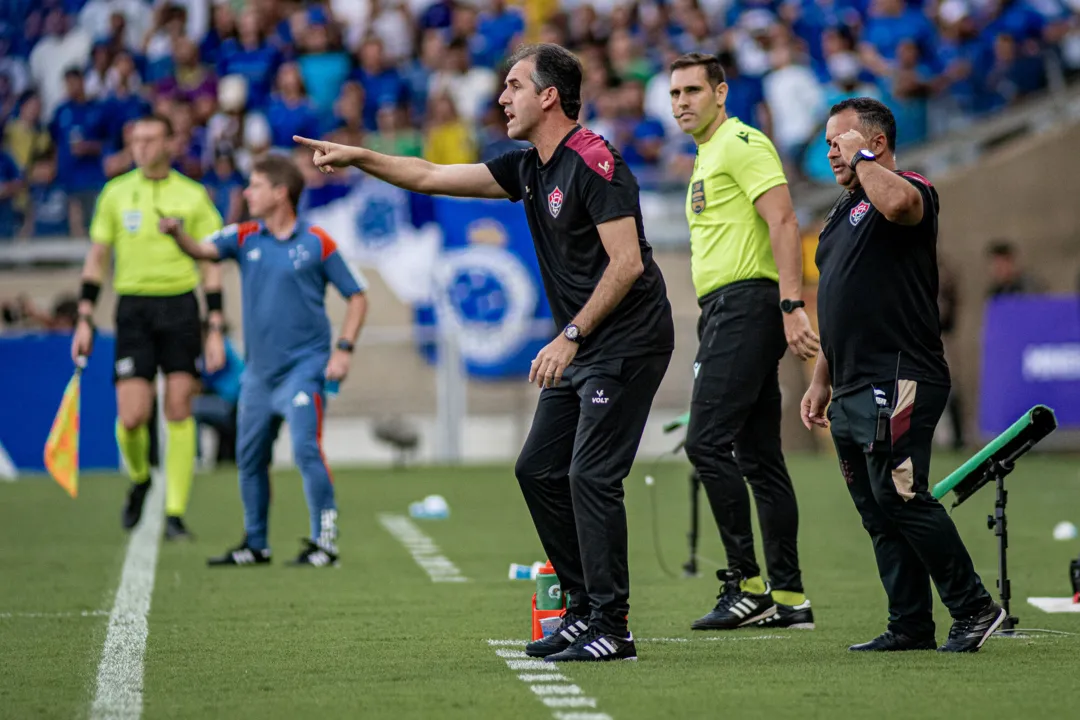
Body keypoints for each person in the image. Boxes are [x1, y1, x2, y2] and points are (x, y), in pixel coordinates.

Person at [295, 42, 674, 662]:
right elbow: (429, 176)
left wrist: (569, 335)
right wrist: (361, 156)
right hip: (585, 346)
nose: (502, 97)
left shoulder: (595, 159)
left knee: (591, 475)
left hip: (627, 342)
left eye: (514, 86)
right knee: (538, 470)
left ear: (549, 96)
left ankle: (613, 624)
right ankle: (580, 610)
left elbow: (628, 263)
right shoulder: (529, 166)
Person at [802, 97, 1005, 653]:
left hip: (899, 374)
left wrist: (865, 160)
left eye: (839, 140)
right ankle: (910, 624)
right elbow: (839, 305)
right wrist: (821, 378)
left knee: (901, 493)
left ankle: (974, 607)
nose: (830, 151)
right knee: (875, 508)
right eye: (827, 143)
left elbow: (899, 205)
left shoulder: (907, 187)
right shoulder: (840, 214)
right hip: (849, 383)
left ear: (876, 143)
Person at [669, 52, 819, 631]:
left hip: (747, 306)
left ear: (721, 93)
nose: (682, 101)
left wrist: (790, 304)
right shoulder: (709, 154)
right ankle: (789, 598)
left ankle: (746, 584)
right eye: (676, 93)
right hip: (727, 310)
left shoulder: (741, 142)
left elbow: (784, 221)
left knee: (705, 443)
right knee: (759, 457)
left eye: (693, 91)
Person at [161, 155, 369, 568]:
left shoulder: (317, 243)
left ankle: (324, 543)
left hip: (304, 370)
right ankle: (256, 544)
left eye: (254, 186)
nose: (246, 193)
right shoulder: (243, 238)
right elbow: (202, 250)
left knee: (307, 450)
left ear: (280, 193)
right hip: (258, 376)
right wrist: (177, 235)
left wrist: (343, 351)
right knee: (250, 457)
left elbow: (358, 297)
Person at [72, 114, 223, 541]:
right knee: (133, 416)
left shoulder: (192, 196)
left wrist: (214, 324)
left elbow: (210, 263)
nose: (140, 147)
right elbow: (97, 258)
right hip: (133, 309)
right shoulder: (115, 194)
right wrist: (84, 316)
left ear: (170, 143)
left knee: (178, 407)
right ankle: (140, 479)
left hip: (179, 307)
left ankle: (174, 513)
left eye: (150, 139)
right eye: (135, 139)